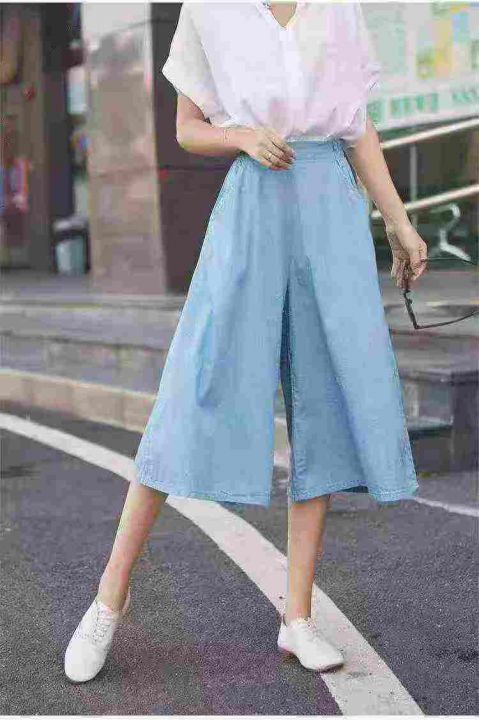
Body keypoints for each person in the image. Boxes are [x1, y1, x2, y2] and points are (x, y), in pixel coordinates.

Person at [64, 1, 428, 683]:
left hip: (330, 207)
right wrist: (240, 137)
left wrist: (399, 222)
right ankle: (109, 598)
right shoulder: (209, 9)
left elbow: (357, 128)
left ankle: (298, 618)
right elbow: (186, 130)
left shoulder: (338, 8)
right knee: (193, 387)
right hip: (254, 201)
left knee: (323, 404)